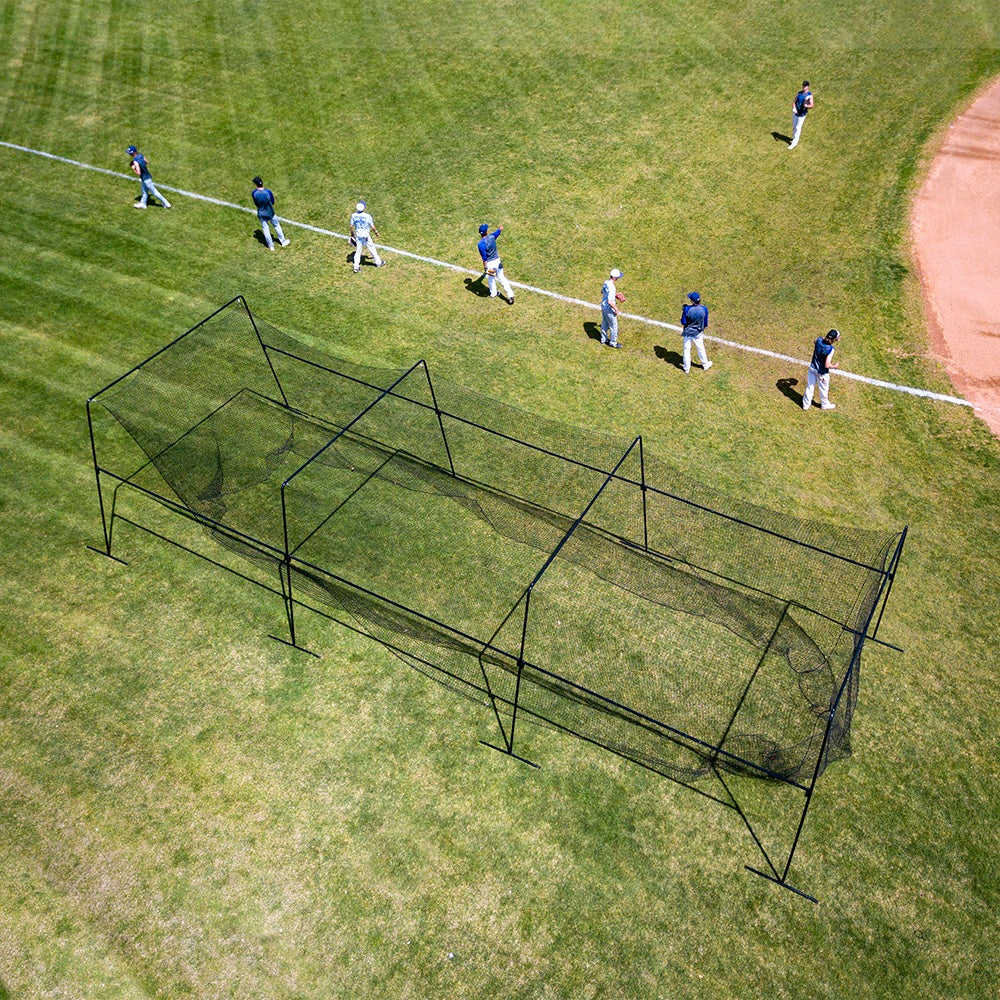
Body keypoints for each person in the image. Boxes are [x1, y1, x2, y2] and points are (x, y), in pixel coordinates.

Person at [802, 329, 841, 410]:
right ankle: (825, 404)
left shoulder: (818, 340)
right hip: (822, 373)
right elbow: (827, 365)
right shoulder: (830, 349)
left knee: (810, 387)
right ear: (834, 339)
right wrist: (834, 366)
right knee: (823, 389)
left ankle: (805, 405)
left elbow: (816, 341)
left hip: (812, 368)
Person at [476, 224, 515, 304]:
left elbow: (484, 258)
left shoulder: (480, 245)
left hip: (490, 265)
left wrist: (485, 268)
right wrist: (500, 229)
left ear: (480, 233)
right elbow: (497, 232)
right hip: (497, 262)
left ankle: (493, 293)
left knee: (491, 278)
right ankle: (510, 296)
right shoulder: (492, 237)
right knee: (502, 278)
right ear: (486, 232)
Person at [251, 177, 290, 250]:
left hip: (261, 214)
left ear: (256, 184)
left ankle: (271, 246)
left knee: (266, 229)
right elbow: (272, 201)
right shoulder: (268, 192)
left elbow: (256, 203)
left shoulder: (254, 193)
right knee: (277, 226)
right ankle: (283, 241)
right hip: (270, 212)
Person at [680, 291, 712, 372]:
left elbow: (683, 322)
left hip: (688, 332)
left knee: (686, 349)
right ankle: (705, 364)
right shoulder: (704, 309)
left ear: (692, 301)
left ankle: (687, 368)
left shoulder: (687, 309)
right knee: (700, 348)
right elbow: (705, 323)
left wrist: (683, 312)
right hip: (698, 332)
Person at [350, 201, 384, 272]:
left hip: (358, 235)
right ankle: (378, 262)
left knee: (358, 251)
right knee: (372, 249)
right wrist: (376, 232)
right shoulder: (367, 216)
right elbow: (372, 226)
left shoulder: (354, 215)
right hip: (366, 236)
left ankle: (356, 267)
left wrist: (352, 235)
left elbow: (351, 226)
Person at [600, 268, 624, 348]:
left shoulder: (606, 282)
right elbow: (610, 301)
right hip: (609, 308)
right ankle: (613, 343)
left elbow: (603, 292)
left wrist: (614, 295)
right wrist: (616, 309)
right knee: (614, 326)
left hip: (603, 306)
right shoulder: (612, 287)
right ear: (614, 277)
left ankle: (603, 339)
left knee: (604, 323)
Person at [788, 81, 814, 150]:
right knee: (794, 126)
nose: (804, 87)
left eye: (805, 86)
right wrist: (794, 108)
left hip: (802, 114)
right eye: (803, 85)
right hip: (796, 113)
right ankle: (794, 138)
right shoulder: (799, 93)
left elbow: (811, 105)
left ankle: (794, 143)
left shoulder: (809, 95)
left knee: (798, 128)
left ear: (808, 87)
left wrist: (806, 106)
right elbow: (794, 101)